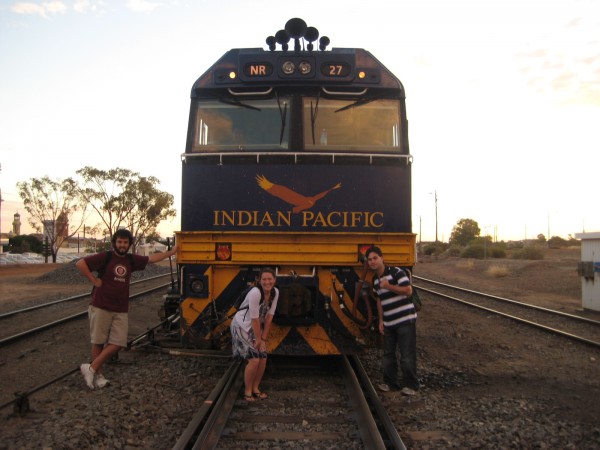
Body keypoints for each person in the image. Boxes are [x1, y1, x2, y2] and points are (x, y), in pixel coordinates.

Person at [75, 229, 178, 390]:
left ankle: (90, 368)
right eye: (119, 242)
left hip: (120, 307)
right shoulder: (106, 257)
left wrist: (171, 252)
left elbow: (151, 258)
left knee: (118, 342)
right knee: (98, 341)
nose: (122, 245)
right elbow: (80, 263)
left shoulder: (131, 260)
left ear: (129, 244)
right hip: (101, 305)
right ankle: (98, 376)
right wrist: (94, 280)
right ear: (114, 243)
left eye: (125, 242)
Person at [366, 245, 419, 396]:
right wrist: (381, 320)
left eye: (375, 258)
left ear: (382, 258)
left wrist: (388, 285)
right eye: (369, 260)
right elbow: (379, 300)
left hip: (405, 321)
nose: (372, 262)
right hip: (389, 322)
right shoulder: (376, 280)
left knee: (407, 355)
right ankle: (391, 384)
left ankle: (412, 385)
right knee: (388, 354)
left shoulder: (396, 272)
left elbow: (408, 291)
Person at [230, 267, 279, 402]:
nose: (267, 282)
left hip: (254, 329)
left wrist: (263, 339)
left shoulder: (275, 293)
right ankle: (247, 391)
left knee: (263, 356)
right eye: (264, 279)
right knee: (254, 359)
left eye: (270, 279)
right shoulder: (255, 293)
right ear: (259, 281)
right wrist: (258, 339)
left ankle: (256, 388)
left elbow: (269, 317)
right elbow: (254, 318)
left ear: (274, 280)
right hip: (241, 326)